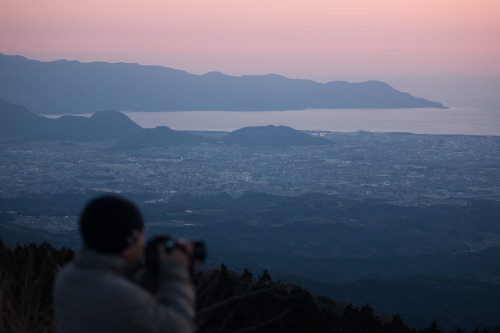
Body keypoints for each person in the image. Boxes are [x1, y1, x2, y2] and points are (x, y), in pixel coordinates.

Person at [53, 195, 197, 333]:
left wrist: (151, 276)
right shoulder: (127, 300)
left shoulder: (67, 276)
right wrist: (175, 271)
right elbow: (180, 327)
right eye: (141, 234)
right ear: (130, 239)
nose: (143, 244)